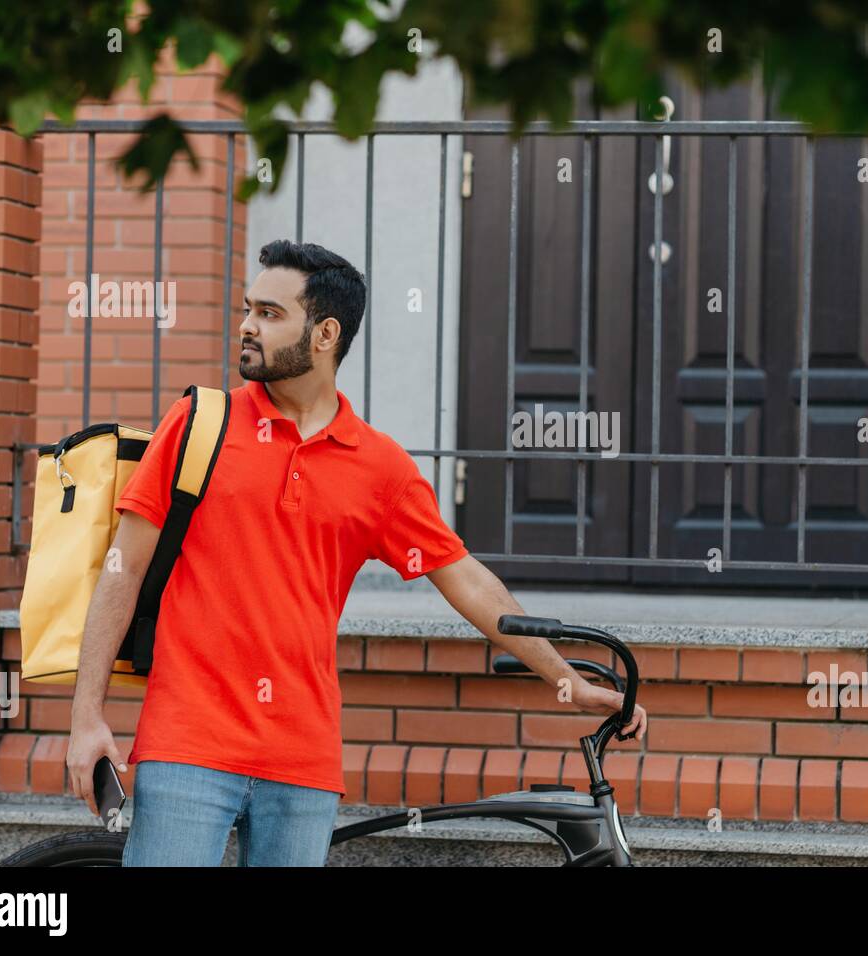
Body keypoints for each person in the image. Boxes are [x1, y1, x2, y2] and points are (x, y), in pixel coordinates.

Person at [64, 239, 647, 866]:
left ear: (325, 334)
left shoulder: (379, 467)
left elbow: (469, 584)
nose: (247, 326)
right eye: (247, 309)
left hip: (302, 761)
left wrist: (565, 679)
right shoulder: (199, 424)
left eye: (269, 313)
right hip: (186, 748)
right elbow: (121, 572)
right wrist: (86, 717)